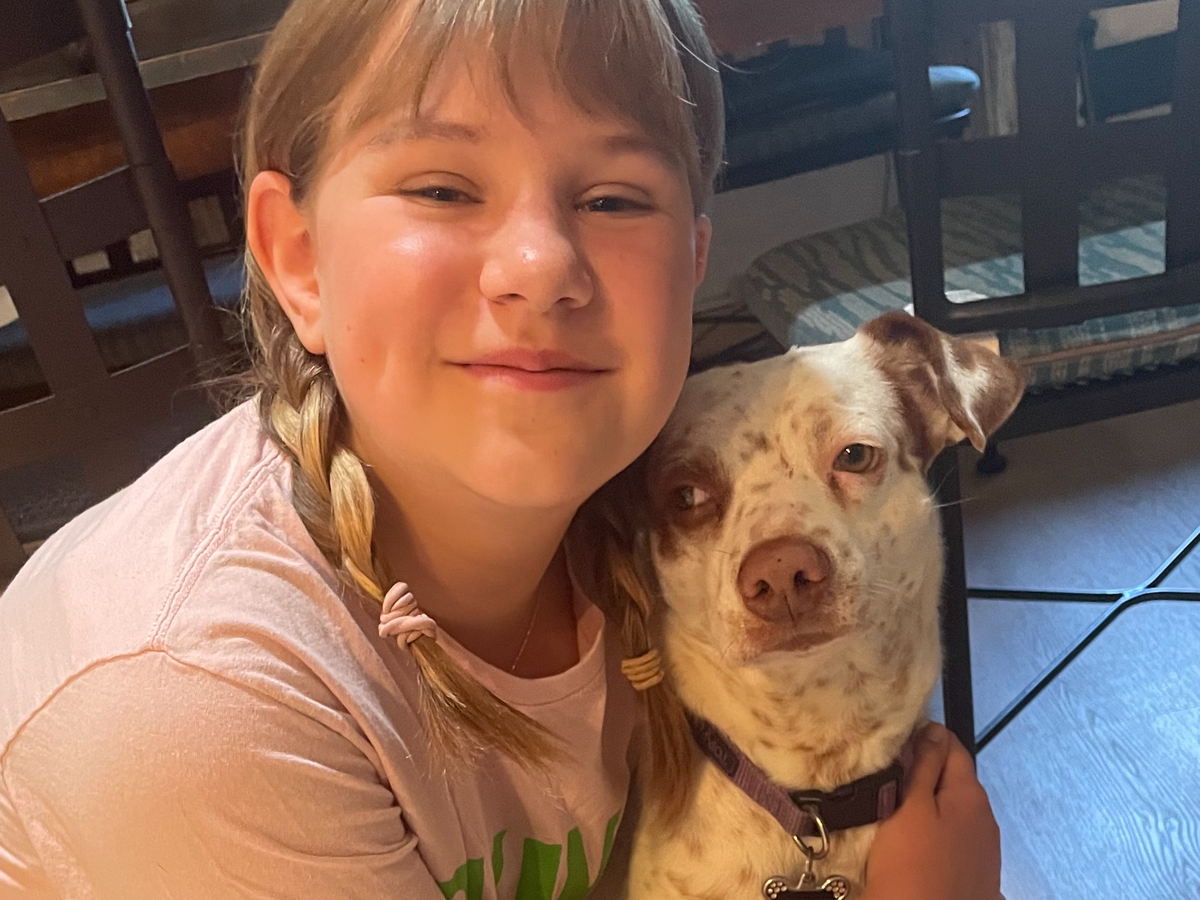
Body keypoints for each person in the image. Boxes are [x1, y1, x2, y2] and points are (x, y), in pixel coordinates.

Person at [0, 0, 1000, 897]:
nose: (542, 264)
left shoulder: (635, 522)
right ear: (298, 259)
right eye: (442, 189)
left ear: (691, 264)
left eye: (613, 198)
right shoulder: (198, 709)